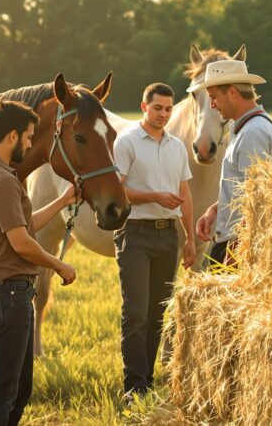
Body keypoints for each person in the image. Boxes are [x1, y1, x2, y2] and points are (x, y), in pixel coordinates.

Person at [0, 100, 78, 426]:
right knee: (7, 390)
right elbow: (21, 242)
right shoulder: (3, 181)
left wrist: (62, 201)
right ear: (12, 136)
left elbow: (21, 225)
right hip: (7, 294)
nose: (30, 144)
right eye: (28, 137)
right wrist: (59, 264)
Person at [112, 82, 196, 402]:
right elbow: (117, 190)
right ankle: (134, 386)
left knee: (156, 313)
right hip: (135, 234)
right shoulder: (127, 141)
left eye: (168, 108)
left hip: (168, 235)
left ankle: (146, 382)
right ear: (143, 107)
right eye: (157, 107)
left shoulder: (176, 146)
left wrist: (188, 238)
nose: (163, 114)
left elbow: (184, 195)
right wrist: (154, 195)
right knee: (136, 312)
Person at [190, 59, 272, 265]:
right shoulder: (248, 128)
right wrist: (215, 210)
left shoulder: (253, 132)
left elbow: (255, 197)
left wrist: (236, 249)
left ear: (232, 92)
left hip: (239, 247)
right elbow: (242, 185)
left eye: (214, 97)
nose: (212, 105)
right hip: (235, 242)